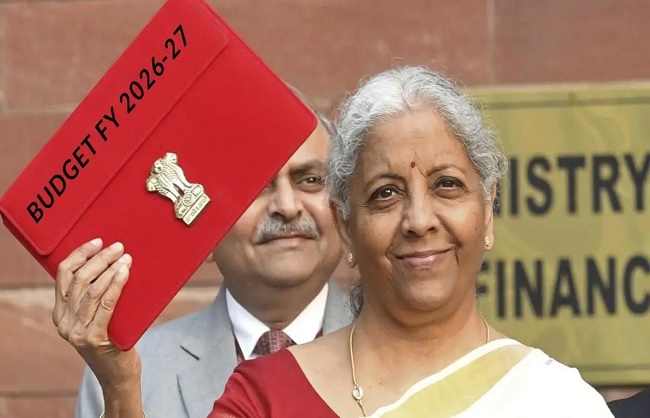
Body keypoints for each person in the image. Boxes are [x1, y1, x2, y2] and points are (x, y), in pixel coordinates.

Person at [54, 66, 614, 418]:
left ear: (487, 209)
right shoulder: (262, 398)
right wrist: (121, 389)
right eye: (386, 194)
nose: (419, 219)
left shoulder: (556, 400)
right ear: (346, 224)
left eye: (447, 185)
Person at [62, 88, 353, 418]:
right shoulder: (125, 375)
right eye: (254, 185)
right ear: (205, 229)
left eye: (311, 180)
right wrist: (120, 394)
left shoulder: (397, 344)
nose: (287, 206)